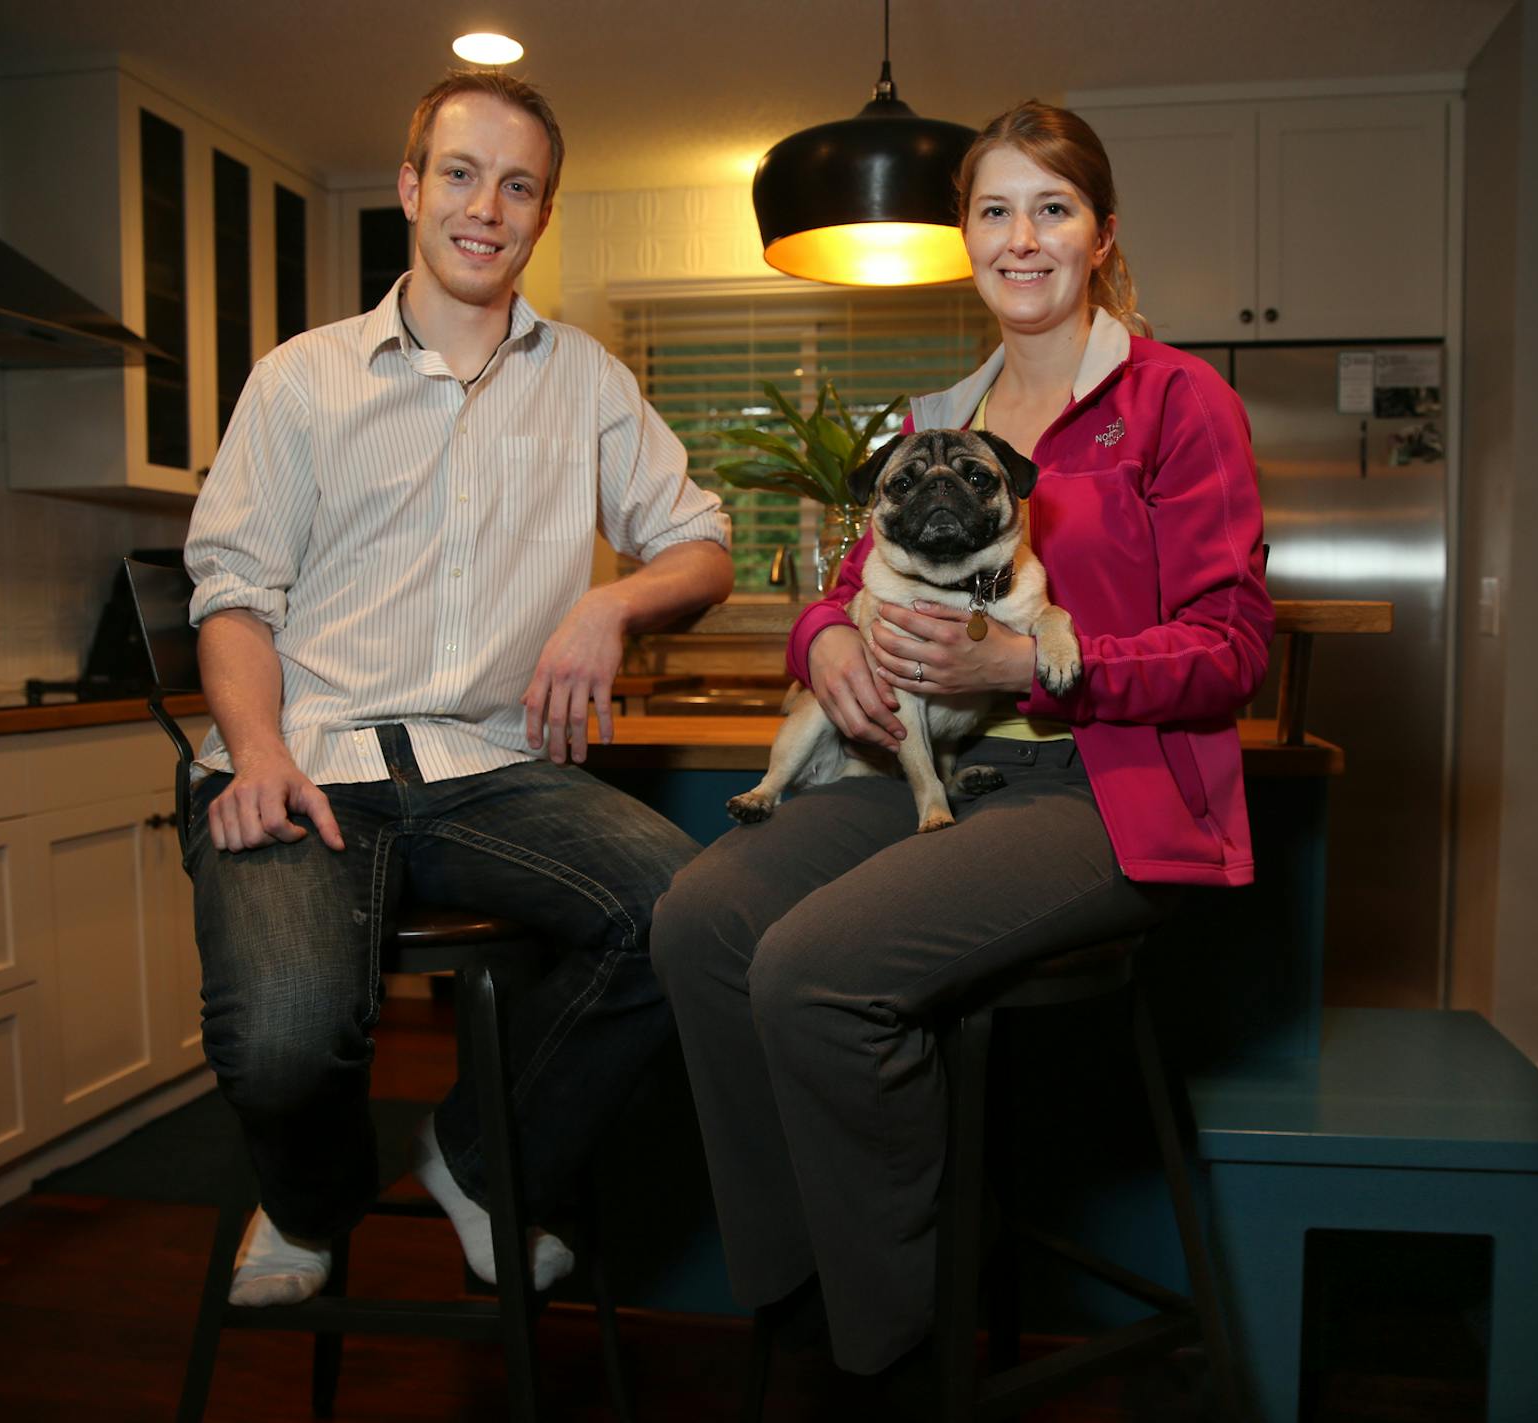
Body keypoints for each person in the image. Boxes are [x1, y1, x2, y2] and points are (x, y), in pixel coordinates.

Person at [652, 99, 1275, 1383]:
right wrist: (821, 641)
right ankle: (803, 1290)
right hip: (931, 762)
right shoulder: (943, 408)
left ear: (1102, 233)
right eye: (995, 210)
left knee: (811, 969)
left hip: (1097, 785)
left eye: (1052, 208)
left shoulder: (1176, 398)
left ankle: (892, 1347)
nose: (1022, 238)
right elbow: (847, 582)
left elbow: (1232, 648)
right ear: (966, 237)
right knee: (701, 921)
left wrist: (1032, 663)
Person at [183, 70, 732, 1307]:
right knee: (283, 1038)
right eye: (463, 174)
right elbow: (233, 597)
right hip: (306, 754)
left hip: (492, 769)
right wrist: (255, 748)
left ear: (544, 214)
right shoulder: (299, 379)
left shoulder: (587, 379)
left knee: (686, 920)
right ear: (410, 186)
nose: (487, 207)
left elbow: (702, 546)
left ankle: (480, 1158)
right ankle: (311, 1203)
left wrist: (610, 604)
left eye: (518, 186)